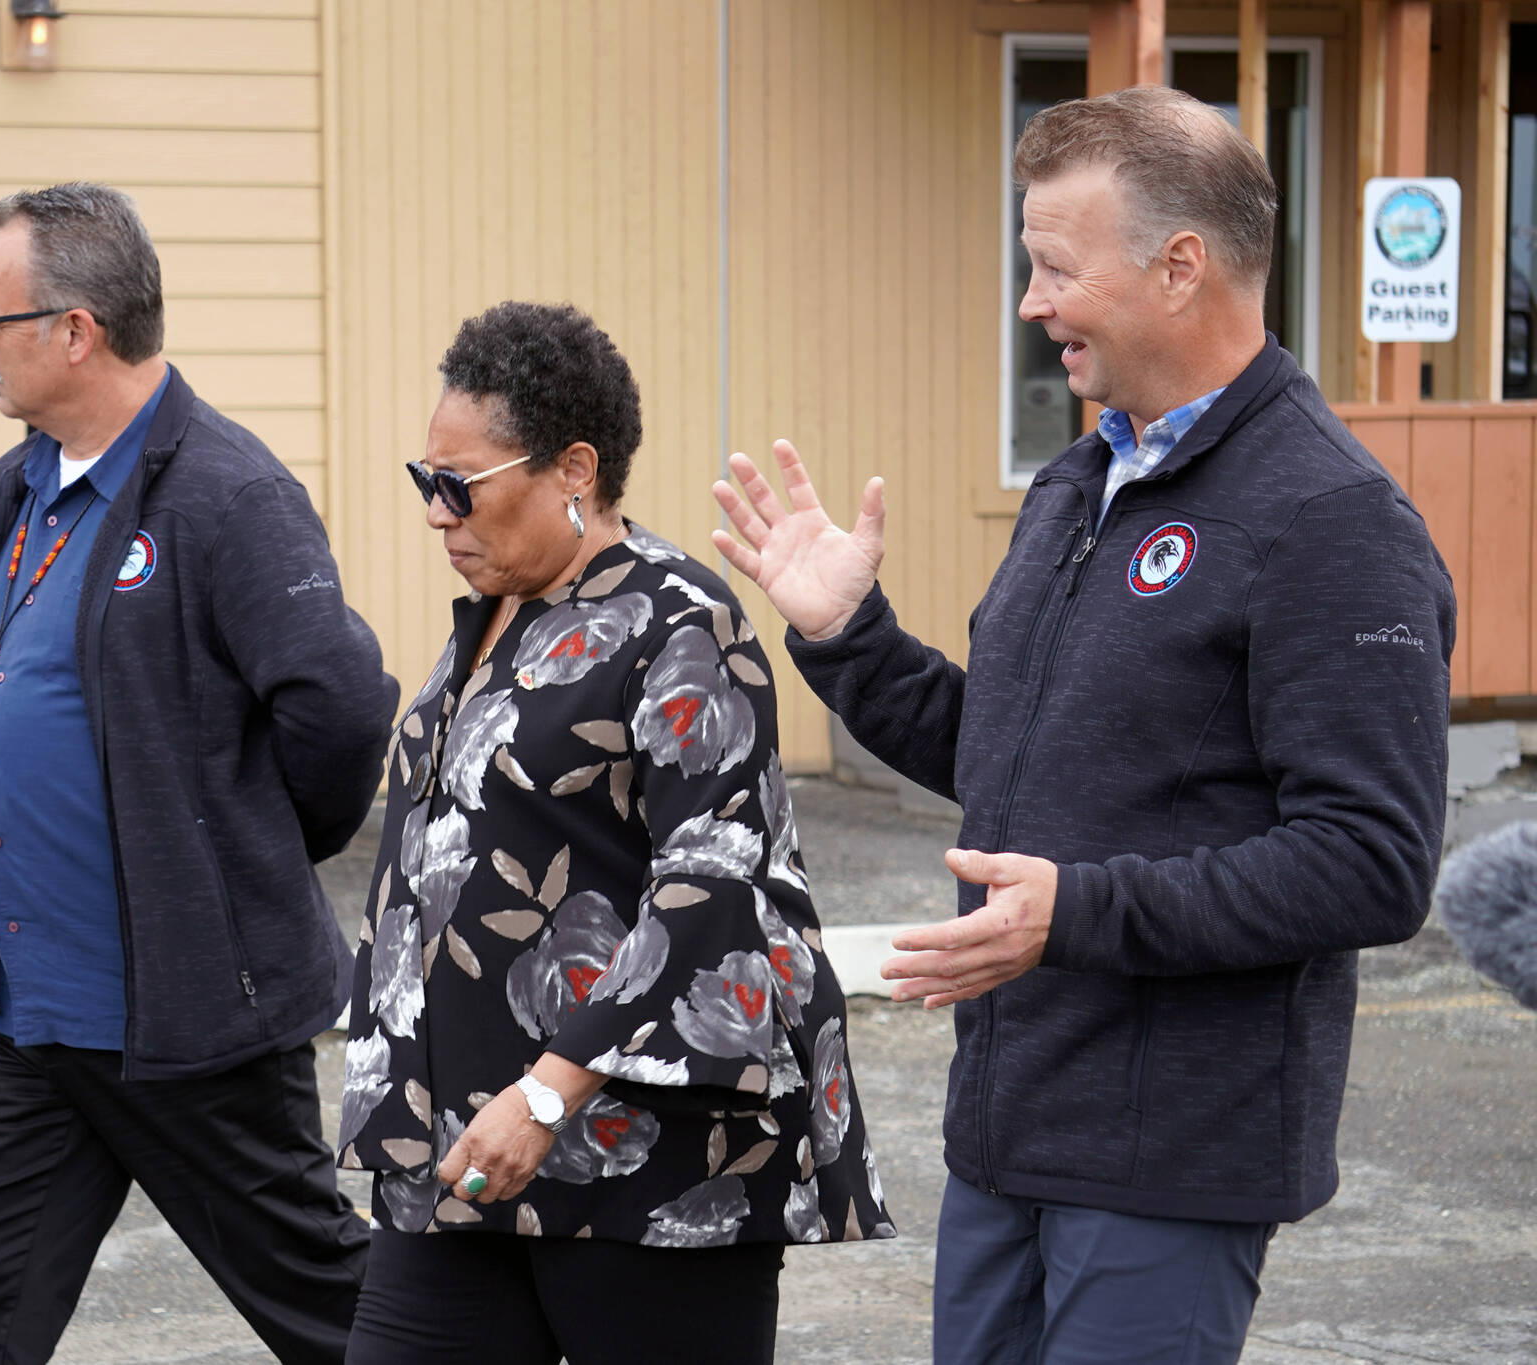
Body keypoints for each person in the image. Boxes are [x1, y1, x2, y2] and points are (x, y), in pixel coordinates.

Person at [713, 86, 1454, 1364]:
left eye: (1055, 267)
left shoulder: (1330, 521)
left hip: (1168, 1154)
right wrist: (850, 640)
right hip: (1011, 1122)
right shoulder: (1080, 480)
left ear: (1179, 267)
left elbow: (1371, 863)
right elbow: (1007, 753)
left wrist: (1077, 912)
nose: (1030, 302)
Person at [0, 182, 397, 1365]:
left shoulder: (228, 494)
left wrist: (236, 853)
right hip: (25, 1017)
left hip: (186, 1018)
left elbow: (339, 706)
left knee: (334, 1311)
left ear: (76, 330)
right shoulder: (9, 494)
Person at [339, 300, 894, 1365]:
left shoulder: (678, 621)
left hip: (640, 1162)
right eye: (424, 482)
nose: (435, 512)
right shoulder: (496, 612)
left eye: (458, 484)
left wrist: (548, 1092)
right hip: (458, 1155)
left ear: (572, 469)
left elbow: (708, 875)